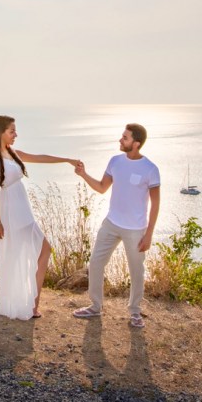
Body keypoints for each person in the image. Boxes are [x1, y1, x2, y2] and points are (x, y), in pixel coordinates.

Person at [0, 115, 80, 320]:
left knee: (42, 250)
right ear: (0, 132)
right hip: (11, 212)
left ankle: (31, 305)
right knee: (20, 255)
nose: (16, 134)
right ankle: (24, 306)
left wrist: (67, 160)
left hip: (24, 211)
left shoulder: (13, 153)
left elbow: (40, 158)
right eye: (12, 131)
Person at [72, 123, 161, 328]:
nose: (120, 140)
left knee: (136, 271)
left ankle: (135, 311)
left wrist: (148, 234)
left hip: (136, 230)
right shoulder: (115, 161)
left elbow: (155, 204)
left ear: (136, 143)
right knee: (95, 263)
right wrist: (83, 174)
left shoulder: (150, 169)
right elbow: (102, 187)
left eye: (125, 138)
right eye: (122, 136)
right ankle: (95, 306)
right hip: (111, 224)